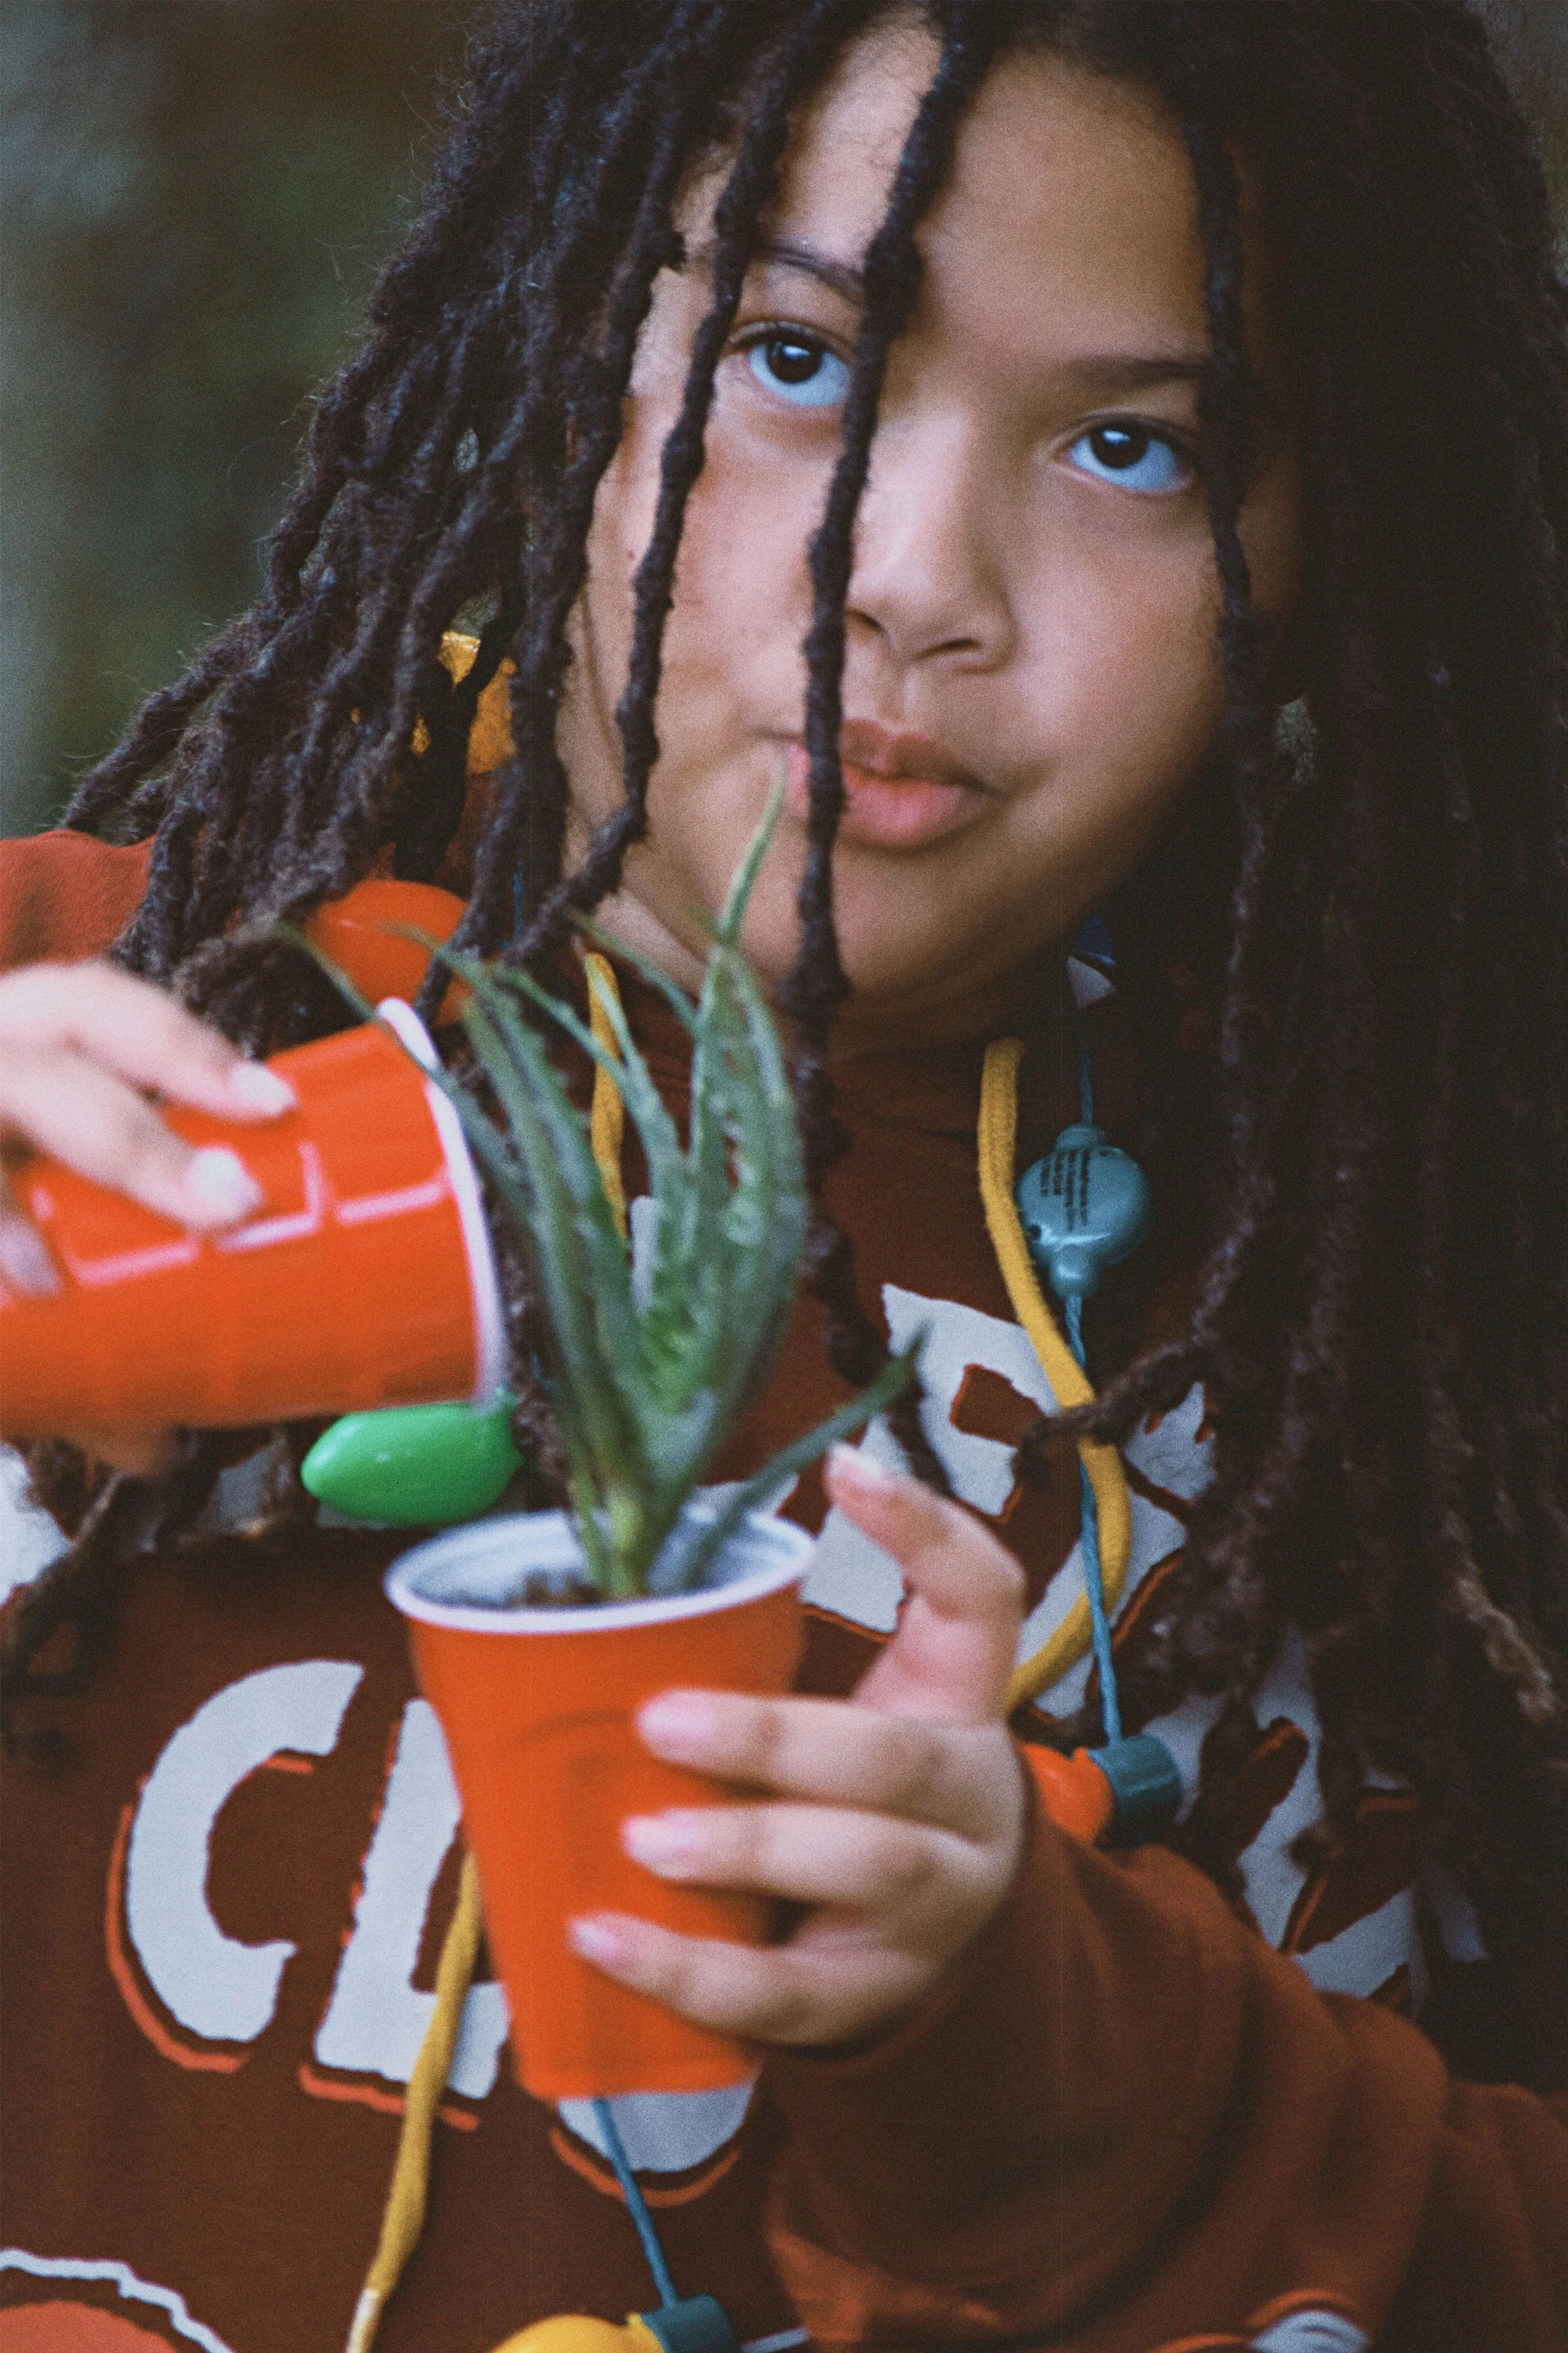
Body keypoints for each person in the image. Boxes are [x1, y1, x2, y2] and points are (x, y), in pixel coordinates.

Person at [1, 2, 1565, 2347]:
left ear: (1327, 542)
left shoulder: (1425, 1334)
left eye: (1133, 446)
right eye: (798, 358)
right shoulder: (76, 1028)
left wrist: (1019, 2037)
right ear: (558, 337)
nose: (914, 576)